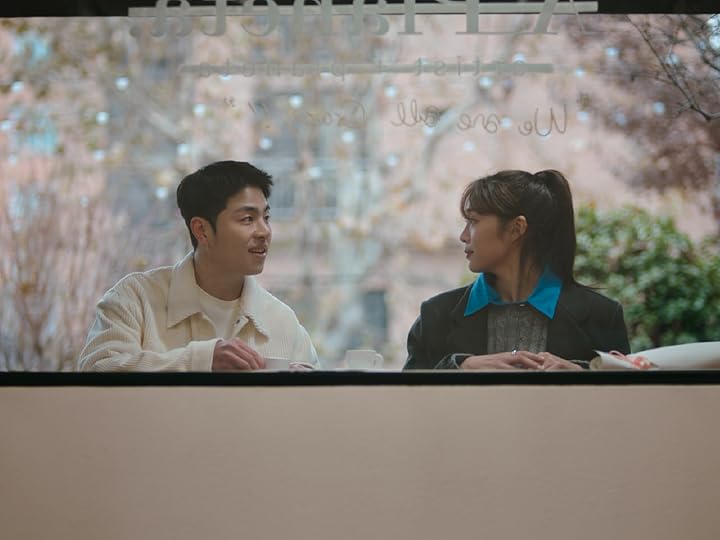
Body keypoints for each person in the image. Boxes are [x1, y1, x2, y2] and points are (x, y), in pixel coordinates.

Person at [78, 160, 318, 371]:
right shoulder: (135, 299)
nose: (264, 231)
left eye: (266, 218)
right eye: (247, 219)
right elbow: (98, 370)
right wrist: (202, 360)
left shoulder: (283, 322)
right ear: (201, 230)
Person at [404, 169, 630, 371]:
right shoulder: (435, 316)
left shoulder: (602, 317)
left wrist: (583, 377)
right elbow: (406, 399)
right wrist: (460, 368)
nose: (463, 236)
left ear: (516, 228)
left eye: (473, 221)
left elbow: (625, 401)